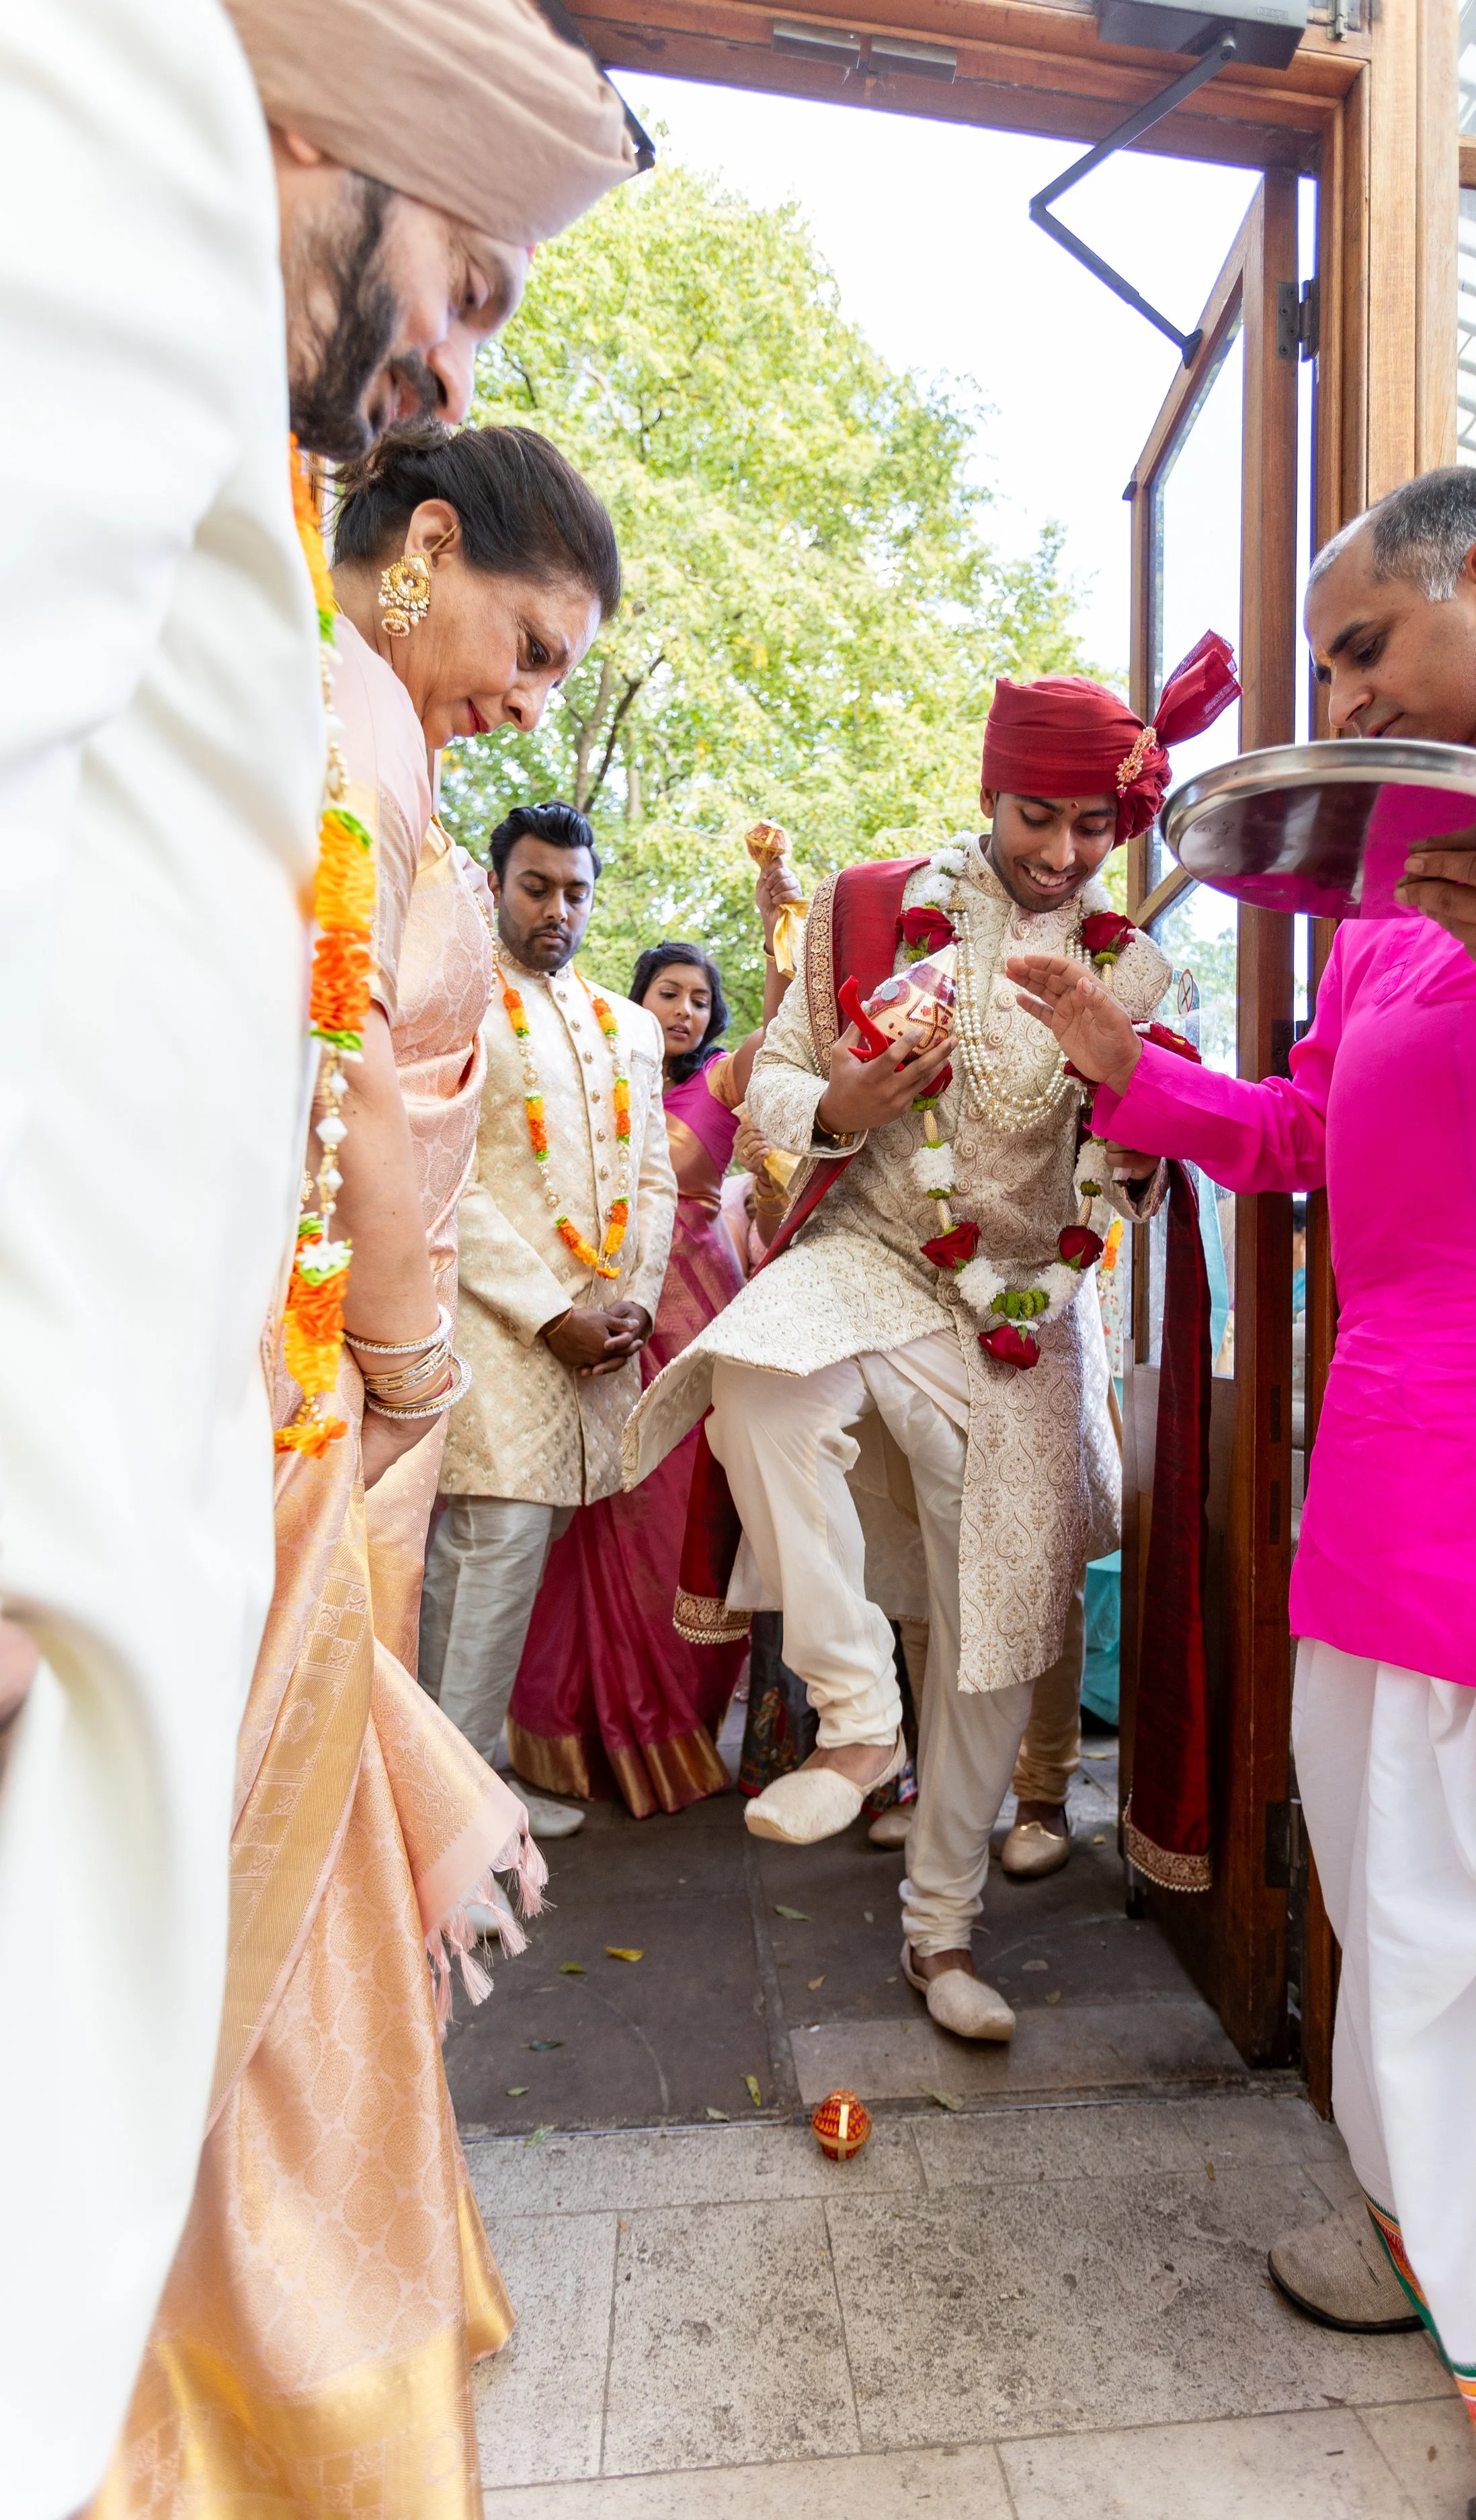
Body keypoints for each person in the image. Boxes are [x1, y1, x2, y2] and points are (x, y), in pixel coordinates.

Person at [1, 7, 632, 2513]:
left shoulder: (269, 536)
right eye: (465, 280)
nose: (451, 362)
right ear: (304, 146)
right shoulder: (116, 142)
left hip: (162, 1457)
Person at [1012, 468, 1476, 2520]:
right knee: (1395, 1925)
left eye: (1359, 648)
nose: (1337, 690)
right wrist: (1119, 1074)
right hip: (1386, 1472)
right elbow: (1312, 1129)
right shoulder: (1404, 866)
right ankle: (1434, 2247)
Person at [622, 648, 1237, 2040]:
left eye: (1092, 827)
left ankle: (941, 1935)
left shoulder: (1133, 969)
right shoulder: (867, 909)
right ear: (988, 790)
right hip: (880, 1253)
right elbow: (768, 1082)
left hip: (1026, 1314)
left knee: (988, 1641)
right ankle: (851, 1715)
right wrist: (834, 1098)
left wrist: (1133, 1145)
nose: (1060, 852)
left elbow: (1139, 1158)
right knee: (758, 1382)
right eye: (1035, 816)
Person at [507, 880, 803, 1816]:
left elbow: (786, 1033)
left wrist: (776, 936)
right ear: (637, 1001)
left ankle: (672, 1726)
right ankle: (576, 1736)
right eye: (668, 992)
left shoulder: (722, 1083)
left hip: (698, 1320)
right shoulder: (604, 1073)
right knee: (597, 1521)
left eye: (700, 997)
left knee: (684, 1519)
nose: (684, 1009)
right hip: (607, 1316)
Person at [419, 806, 680, 1786]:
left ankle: (466, 1794)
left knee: (508, 1565)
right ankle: (449, 1826)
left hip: (600, 1346)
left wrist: (635, 1308)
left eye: (576, 890)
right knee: (490, 1553)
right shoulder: (452, 1006)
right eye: (536, 886)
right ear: (494, 888)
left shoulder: (633, 1025)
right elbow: (446, 1178)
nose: (557, 909)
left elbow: (653, 1178)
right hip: (496, 1333)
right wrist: (549, 1314)